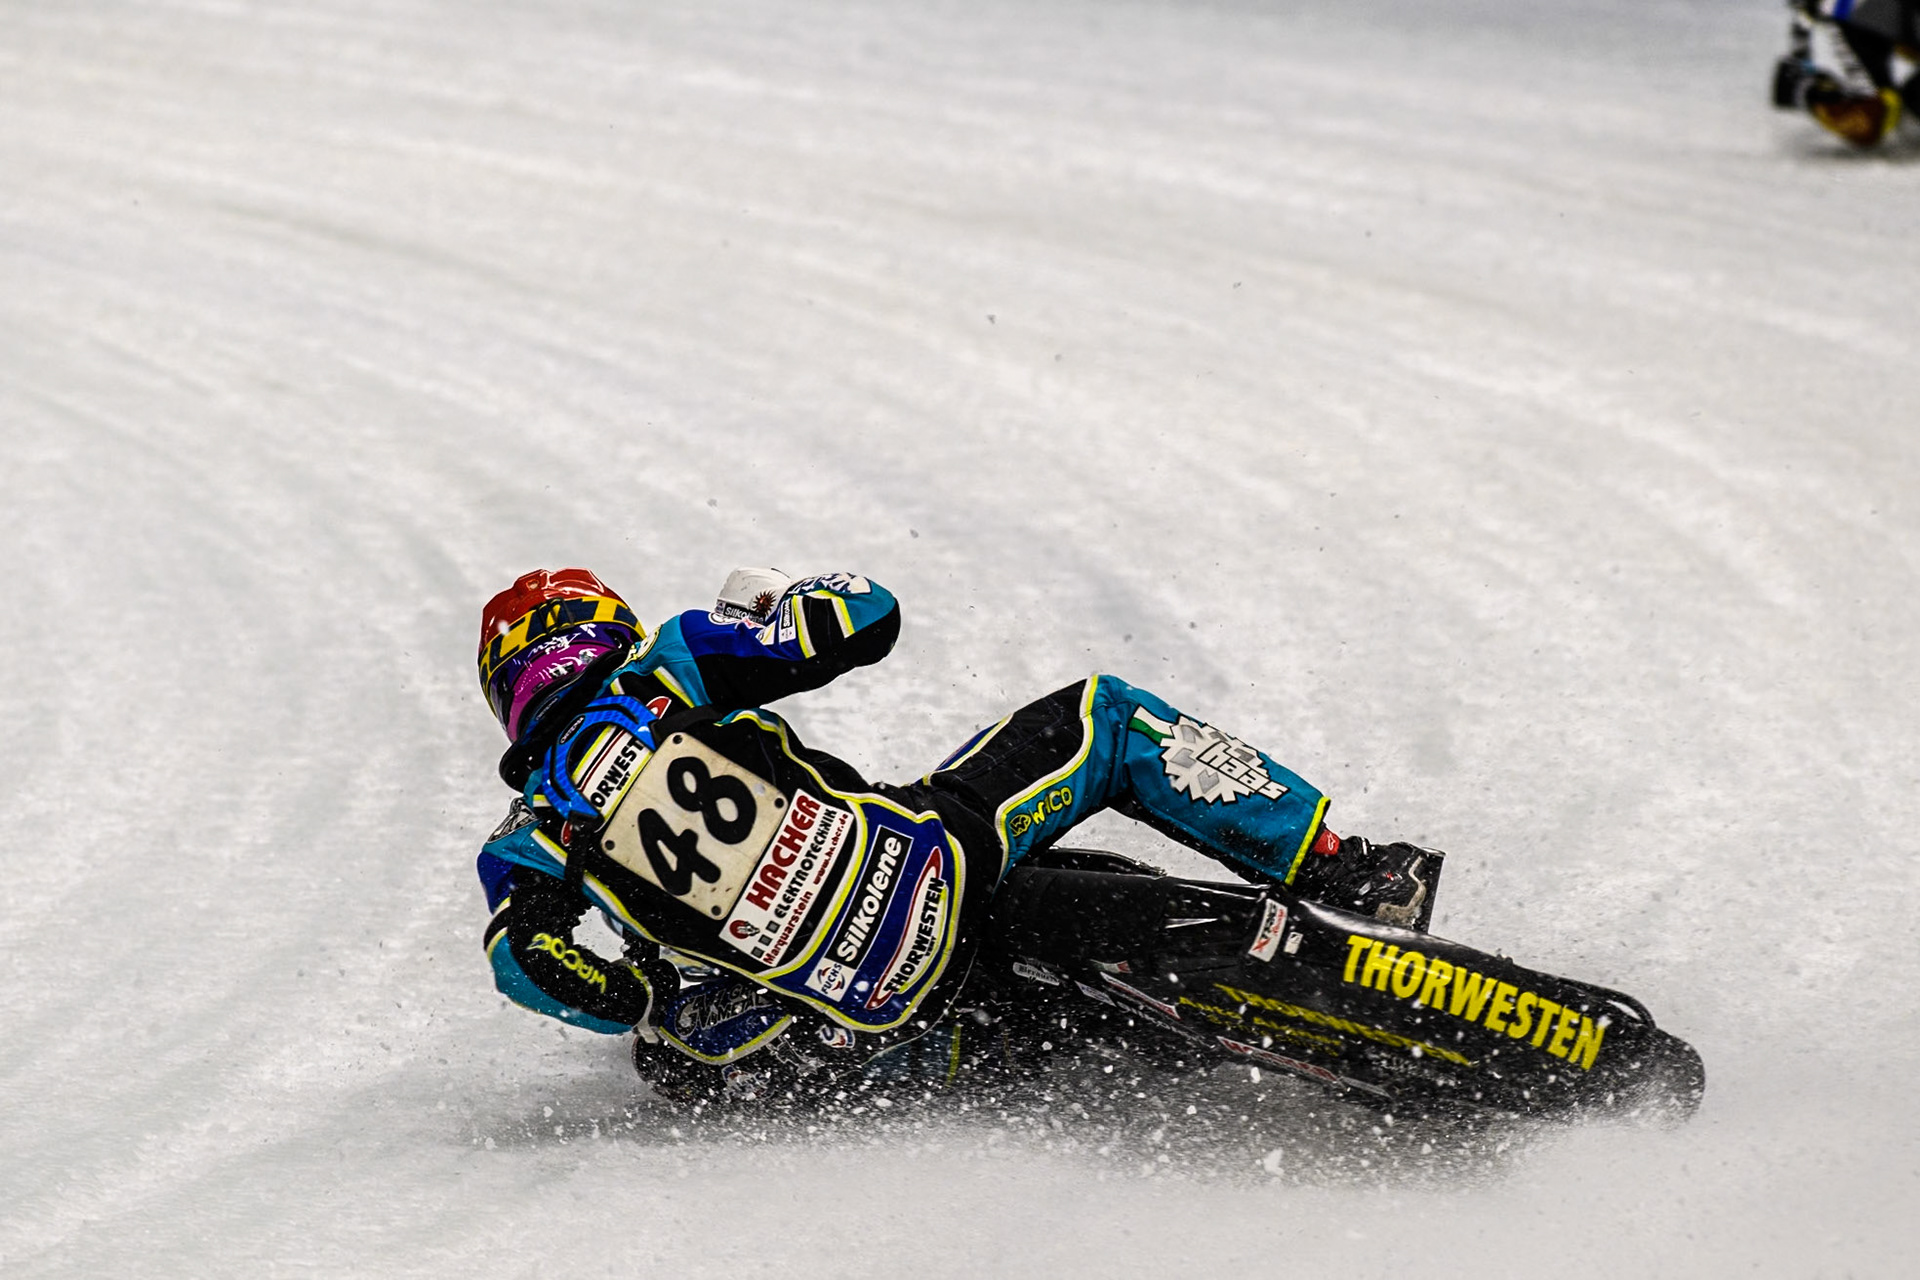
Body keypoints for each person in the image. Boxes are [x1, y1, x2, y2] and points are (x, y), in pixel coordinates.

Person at [473, 567, 1443, 1101]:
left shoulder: (528, 833)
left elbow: (527, 962)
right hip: (928, 864)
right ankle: (1345, 875)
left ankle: (1019, 1037)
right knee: (1103, 716)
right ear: (598, 628)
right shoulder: (668, 665)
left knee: (671, 1058)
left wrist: (642, 996)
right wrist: (771, 606)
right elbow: (864, 613)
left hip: (838, 1021)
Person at [1773, 0, 1920, 145]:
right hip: (1860, 13)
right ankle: (1804, 89)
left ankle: (1803, 87)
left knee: (1877, 113)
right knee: (1872, 114)